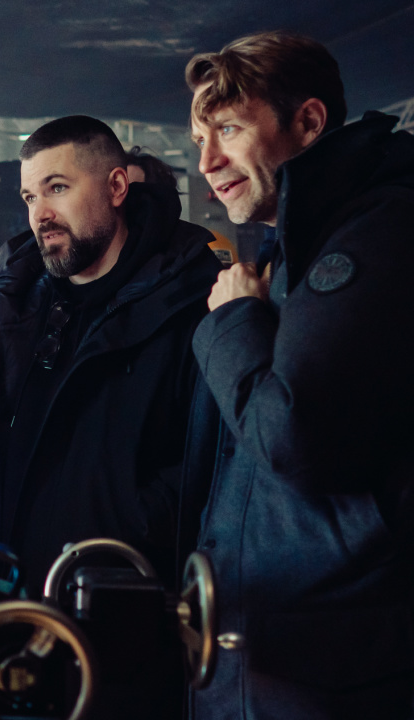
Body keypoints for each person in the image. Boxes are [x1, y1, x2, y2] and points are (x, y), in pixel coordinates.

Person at [0, 115, 221, 718]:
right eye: (29, 196)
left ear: (117, 187)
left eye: (57, 187)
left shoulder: (193, 301)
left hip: (118, 630)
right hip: (4, 623)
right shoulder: (16, 305)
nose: (39, 212)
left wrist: (121, 529)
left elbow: (208, 468)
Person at [186, 31, 414, 719]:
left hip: (333, 675)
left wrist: (232, 322)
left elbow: (292, 440)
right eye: (200, 137)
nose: (207, 161)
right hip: (271, 660)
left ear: (309, 122)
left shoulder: (380, 229)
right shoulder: (302, 245)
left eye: (227, 128)